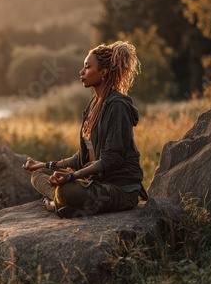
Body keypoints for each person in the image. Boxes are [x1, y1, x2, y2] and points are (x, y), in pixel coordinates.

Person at [22, 41, 148, 218]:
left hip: (120, 189)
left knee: (67, 191)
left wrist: (72, 178)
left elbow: (111, 159)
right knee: (39, 175)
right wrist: (45, 165)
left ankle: (57, 203)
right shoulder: (93, 105)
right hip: (95, 183)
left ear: (103, 72)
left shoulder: (117, 106)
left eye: (88, 67)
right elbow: (80, 158)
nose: (81, 72)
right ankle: (61, 202)